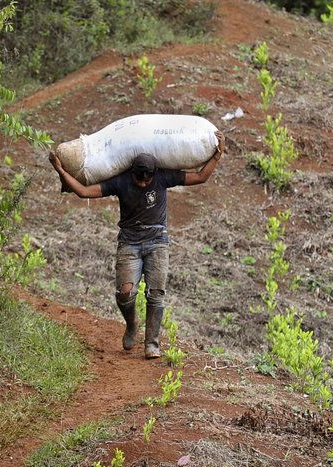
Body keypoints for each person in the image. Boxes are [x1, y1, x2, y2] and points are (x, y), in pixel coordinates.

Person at [48, 131, 225, 358]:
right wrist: (60, 170)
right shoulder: (120, 181)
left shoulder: (163, 178)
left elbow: (200, 177)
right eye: (138, 179)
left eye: (146, 180)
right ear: (131, 173)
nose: (142, 184)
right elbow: (83, 192)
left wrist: (218, 155)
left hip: (157, 241)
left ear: (154, 175)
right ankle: (132, 324)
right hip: (129, 242)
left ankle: (152, 343)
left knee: (156, 293)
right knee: (124, 293)